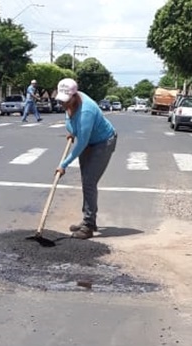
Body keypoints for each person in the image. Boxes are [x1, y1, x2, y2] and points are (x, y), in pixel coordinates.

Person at [54, 78, 117, 239]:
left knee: (89, 182)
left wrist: (64, 164)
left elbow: (82, 142)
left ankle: (88, 225)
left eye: (65, 101)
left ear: (74, 96)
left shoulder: (86, 111)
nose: (62, 104)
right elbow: (70, 120)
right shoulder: (69, 102)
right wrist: (72, 130)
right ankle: (88, 220)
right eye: (61, 101)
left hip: (103, 142)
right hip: (89, 141)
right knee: (86, 181)